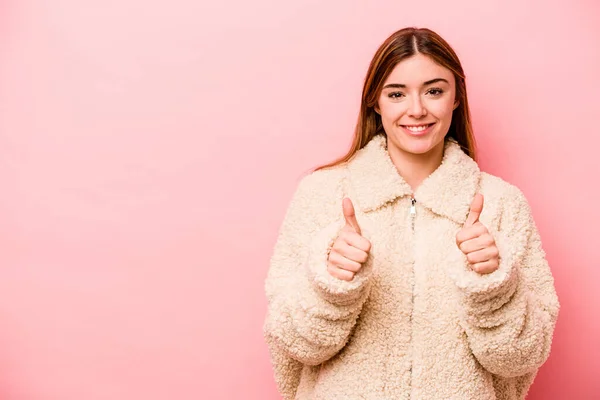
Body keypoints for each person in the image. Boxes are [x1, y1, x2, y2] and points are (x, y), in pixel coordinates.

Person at [262, 27, 559, 400]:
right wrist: (332, 284)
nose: (416, 109)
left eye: (434, 91)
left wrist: (493, 285)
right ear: (375, 101)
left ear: (455, 98)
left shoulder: (502, 204)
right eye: (397, 93)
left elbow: (522, 358)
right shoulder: (322, 194)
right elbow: (293, 346)